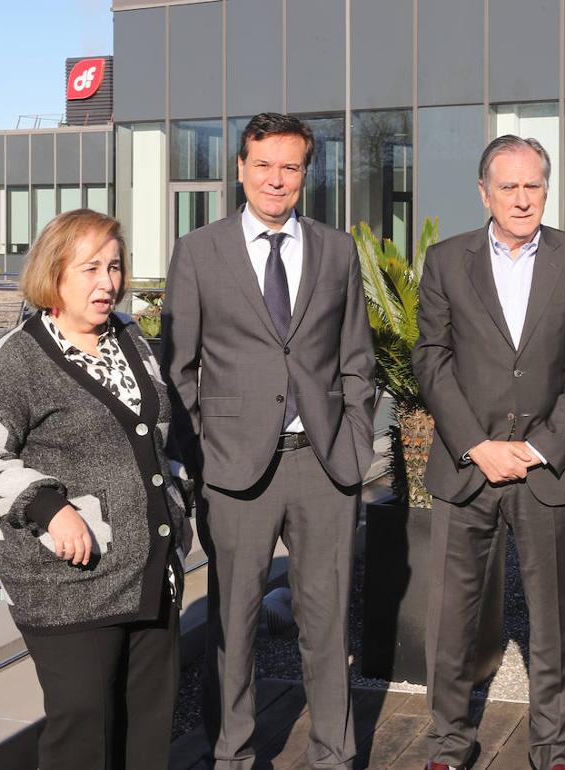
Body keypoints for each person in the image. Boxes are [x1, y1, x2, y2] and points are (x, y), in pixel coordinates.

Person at [162, 112, 376, 770]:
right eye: (263, 165)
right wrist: (202, 452)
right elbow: (179, 367)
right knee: (233, 623)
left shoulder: (337, 251)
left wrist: (356, 442)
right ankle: (232, 756)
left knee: (327, 621)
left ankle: (335, 756)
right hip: (233, 471)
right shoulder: (200, 251)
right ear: (240, 170)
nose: (275, 179)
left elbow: (356, 358)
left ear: (307, 172)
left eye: (290, 166)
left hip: (324, 464)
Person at [0, 209, 188, 770]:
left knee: (147, 730)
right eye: (90, 269)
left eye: (114, 267)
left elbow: (159, 436)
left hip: (149, 569)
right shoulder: (15, 358)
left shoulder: (131, 339)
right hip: (68, 581)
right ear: (54, 273)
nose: (107, 282)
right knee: (82, 735)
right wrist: (50, 506)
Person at [412, 135, 565, 770]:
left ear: (546, 189)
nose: (523, 199)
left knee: (551, 622)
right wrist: (476, 444)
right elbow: (431, 359)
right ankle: (448, 743)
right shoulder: (445, 261)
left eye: (534, 186)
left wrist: (539, 448)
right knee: (453, 622)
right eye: (509, 187)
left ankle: (554, 746)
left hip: (548, 470)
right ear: (484, 192)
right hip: (468, 469)